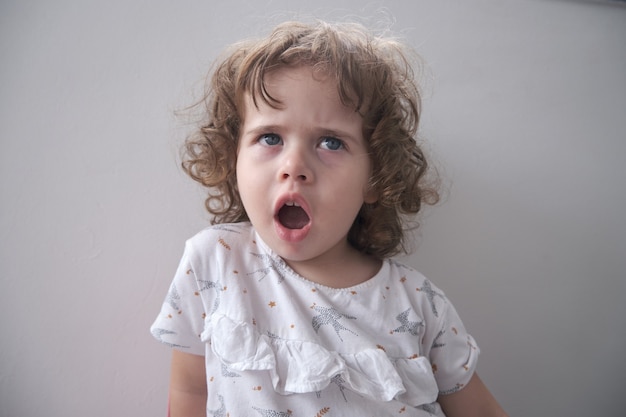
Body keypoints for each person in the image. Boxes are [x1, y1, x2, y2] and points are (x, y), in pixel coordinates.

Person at [151, 20, 507, 417]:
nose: (294, 166)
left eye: (330, 142)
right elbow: (188, 394)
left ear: (375, 179)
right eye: (270, 137)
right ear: (234, 158)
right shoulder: (213, 263)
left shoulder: (419, 303)